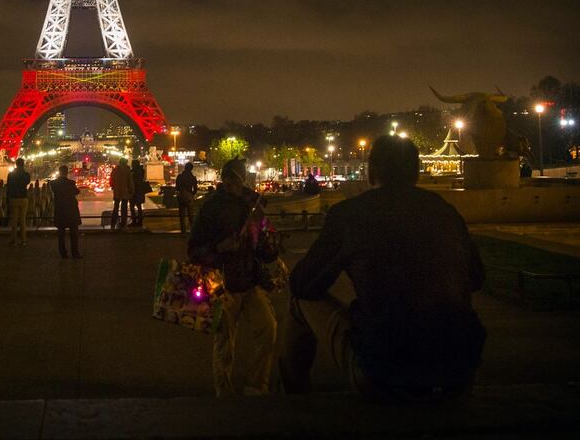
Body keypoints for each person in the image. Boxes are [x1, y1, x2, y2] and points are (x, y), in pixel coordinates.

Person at [279, 136, 486, 402]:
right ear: (415, 171)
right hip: (458, 369)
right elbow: (476, 278)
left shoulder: (351, 214)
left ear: (371, 170)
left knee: (299, 302)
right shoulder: (444, 211)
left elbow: (303, 283)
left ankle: (293, 401)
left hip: (385, 370)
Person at [188, 159, 277, 397]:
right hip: (222, 283)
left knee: (267, 329)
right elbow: (194, 250)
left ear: (242, 181)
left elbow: (265, 247)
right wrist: (220, 247)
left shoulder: (255, 207)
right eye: (227, 181)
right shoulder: (210, 208)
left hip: (249, 280)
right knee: (224, 344)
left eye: (234, 181)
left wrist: (265, 242)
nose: (230, 186)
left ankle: (256, 387)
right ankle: (225, 392)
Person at [50, 165, 82, 259]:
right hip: (71, 209)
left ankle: (63, 253)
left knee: (61, 233)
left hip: (60, 209)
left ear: (59, 172)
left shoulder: (53, 184)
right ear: (67, 172)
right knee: (74, 233)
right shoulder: (71, 183)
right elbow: (76, 192)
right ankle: (75, 252)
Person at [6, 158, 31, 246]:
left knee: (14, 220)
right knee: (22, 220)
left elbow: (8, 187)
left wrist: (7, 199)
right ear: (23, 164)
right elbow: (27, 182)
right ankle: (23, 240)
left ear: (16, 164)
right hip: (23, 198)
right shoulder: (26, 174)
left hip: (13, 198)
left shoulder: (11, 175)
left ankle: (14, 240)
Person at [109, 157, 133, 230]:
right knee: (124, 208)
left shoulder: (115, 170)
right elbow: (130, 182)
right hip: (125, 191)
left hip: (117, 191)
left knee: (116, 207)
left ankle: (113, 222)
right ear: (125, 163)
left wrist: (113, 186)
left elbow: (111, 180)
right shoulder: (127, 170)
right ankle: (123, 222)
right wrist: (131, 190)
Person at [176, 162, 199, 233]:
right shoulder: (193, 178)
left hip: (182, 196)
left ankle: (183, 231)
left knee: (182, 215)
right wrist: (191, 194)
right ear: (191, 169)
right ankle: (192, 231)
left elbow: (177, 188)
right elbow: (195, 189)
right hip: (189, 196)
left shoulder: (180, 177)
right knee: (191, 215)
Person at [129, 159, 149, 227]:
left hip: (135, 191)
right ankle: (140, 221)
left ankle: (134, 221)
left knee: (132, 206)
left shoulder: (134, 171)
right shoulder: (141, 170)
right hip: (140, 191)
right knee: (139, 207)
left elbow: (133, 181)